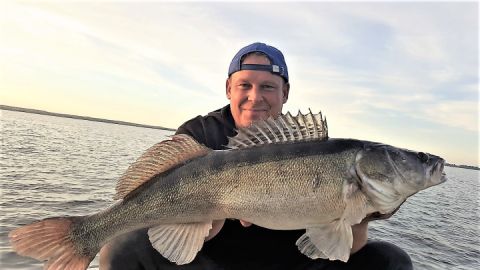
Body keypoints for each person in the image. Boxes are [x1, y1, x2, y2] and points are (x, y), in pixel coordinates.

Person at [100, 42, 413, 270]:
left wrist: (358, 215)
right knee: (123, 248)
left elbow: (350, 246)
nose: (255, 97)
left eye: (267, 86)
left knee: (391, 260)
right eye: (244, 85)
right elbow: (187, 237)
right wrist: (217, 205)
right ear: (228, 88)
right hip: (213, 261)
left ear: (285, 93)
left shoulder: (316, 151)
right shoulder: (201, 135)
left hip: (292, 262)